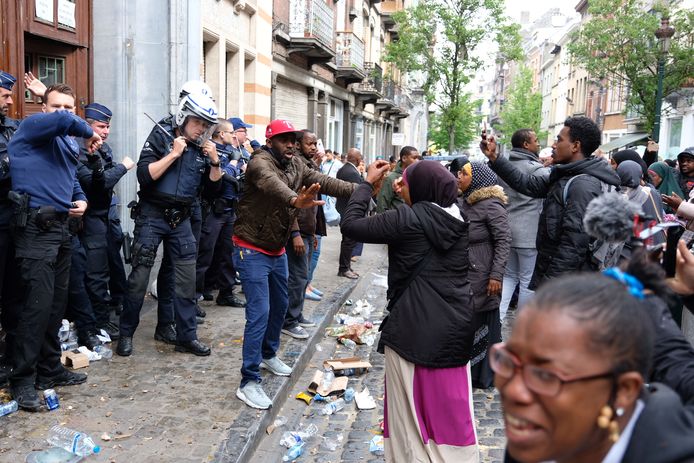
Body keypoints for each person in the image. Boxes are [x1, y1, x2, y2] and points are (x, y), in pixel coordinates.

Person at [341, 160, 479, 462]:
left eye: (405, 181)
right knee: (449, 416)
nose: (399, 185)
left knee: (409, 419)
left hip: (415, 331)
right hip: (455, 330)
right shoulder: (459, 218)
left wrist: (366, 185)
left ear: (423, 188)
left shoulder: (408, 219)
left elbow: (351, 226)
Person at [495, 271, 694, 463]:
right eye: (508, 362)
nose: (513, 391)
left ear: (623, 391)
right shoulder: (535, 440)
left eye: (546, 375)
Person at [231, 119, 355, 409]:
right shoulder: (259, 162)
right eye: (284, 140)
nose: (290, 144)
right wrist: (295, 200)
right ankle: (248, 381)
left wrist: (361, 189)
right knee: (259, 312)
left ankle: (268, 354)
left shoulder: (297, 164)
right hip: (250, 248)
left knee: (280, 305)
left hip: (276, 250)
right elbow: (270, 183)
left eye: (293, 140)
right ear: (270, 140)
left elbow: (325, 182)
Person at [7, 83, 101, 411]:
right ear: (43, 107)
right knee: (35, 306)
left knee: (55, 305)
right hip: (35, 228)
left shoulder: (65, 142)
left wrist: (82, 200)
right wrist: (87, 128)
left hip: (62, 229)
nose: (62, 112)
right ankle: (22, 380)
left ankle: (49, 370)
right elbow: (64, 122)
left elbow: (72, 178)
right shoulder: (32, 126)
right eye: (56, 106)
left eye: (68, 107)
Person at [117, 91, 222, 357]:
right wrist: (174, 154)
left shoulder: (202, 147)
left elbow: (212, 191)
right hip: (152, 215)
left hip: (182, 219)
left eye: (206, 125)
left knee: (185, 281)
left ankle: (185, 335)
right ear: (184, 116)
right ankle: (126, 334)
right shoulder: (161, 134)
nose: (202, 129)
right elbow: (144, 175)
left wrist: (215, 162)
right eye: (198, 122)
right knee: (139, 278)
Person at [481, 116, 620, 289]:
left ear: (575, 146)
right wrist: (495, 157)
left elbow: (573, 246)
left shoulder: (583, 185)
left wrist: (549, 288)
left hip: (567, 287)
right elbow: (527, 184)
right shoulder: (565, 175)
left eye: (559, 140)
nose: (554, 145)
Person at [76, 103, 135, 340]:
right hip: (88, 218)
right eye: (101, 126)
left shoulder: (102, 147)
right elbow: (98, 183)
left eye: (108, 126)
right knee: (95, 272)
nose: (106, 131)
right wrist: (123, 167)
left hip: (105, 214)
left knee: (113, 261)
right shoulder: (79, 151)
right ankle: (98, 322)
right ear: (87, 126)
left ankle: (113, 306)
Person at [459, 162, 511, 389]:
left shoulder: (492, 205)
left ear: (477, 178)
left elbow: (503, 241)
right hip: (468, 270)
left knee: (483, 320)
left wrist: (496, 275)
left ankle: (483, 374)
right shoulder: (467, 201)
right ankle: (467, 369)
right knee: (469, 319)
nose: (459, 176)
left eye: (464, 174)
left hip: (484, 273)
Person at [496, 129, 548, 320]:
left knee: (508, 277)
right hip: (529, 233)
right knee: (527, 281)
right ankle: (521, 325)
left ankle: (498, 320)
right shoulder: (537, 169)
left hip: (507, 229)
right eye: (535, 141)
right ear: (526, 144)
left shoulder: (504, 166)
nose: (538, 144)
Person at [195, 118, 245, 308]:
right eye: (231, 132)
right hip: (213, 210)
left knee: (227, 255)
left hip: (229, 209)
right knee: (205, 256)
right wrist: (233, 163)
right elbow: (219, 178)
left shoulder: (231, 151)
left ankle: (226, 293)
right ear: (221, 134)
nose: (234, 135)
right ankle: (194, 299)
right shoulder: (210, 150)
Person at [282, 130, 323, 339]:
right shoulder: (296, 168)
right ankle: (289, 320)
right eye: (309, 144)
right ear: (298, 145)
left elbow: (314, 208)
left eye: (315, 143)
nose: (314, 147)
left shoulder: (309, 165)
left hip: (308, 231)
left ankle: (296, 316)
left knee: (303, 276)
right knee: (297, 278)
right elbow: (292, 205)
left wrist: (313, 234)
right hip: (296, 233)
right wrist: (296, 234)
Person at [336, 148, 365, 279]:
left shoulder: (344, 169)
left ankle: (346, 267)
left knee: (347, 241)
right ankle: (344, 269)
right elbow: (359, 193)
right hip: (349, 211)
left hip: (344, 210)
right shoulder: (352, 172)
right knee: (348, 242)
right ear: (358, 159)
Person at [376, 146, 421, 213]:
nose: (417, 161)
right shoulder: (391, 178)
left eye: (418, 158)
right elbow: (382, 204)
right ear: (404, 158)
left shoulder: (417, 176)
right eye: (414, 158)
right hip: (396, 220)